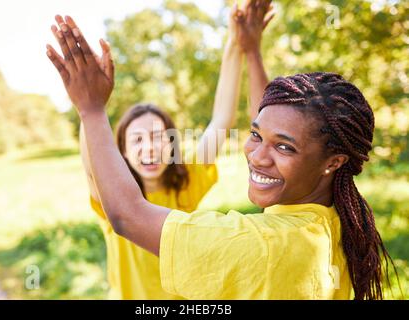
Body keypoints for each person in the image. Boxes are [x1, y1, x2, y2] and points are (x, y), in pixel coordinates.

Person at [47, 0, 396, 300]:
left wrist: (91, 109)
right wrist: (249, 49)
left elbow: (129, 215)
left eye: (284, 147)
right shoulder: (334, 220)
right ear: (118, 153)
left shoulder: (247, 236)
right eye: (256, 136)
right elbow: (282, 123)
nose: (257, 155)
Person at [47, 0, 273, 299]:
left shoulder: (186, 182)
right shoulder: (113, 194)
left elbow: (220, 119)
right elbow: (92, 157)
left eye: (158, 137)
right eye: (137, 140)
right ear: (122, 153)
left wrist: (235, 43)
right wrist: (87, 104)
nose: (150, 147)